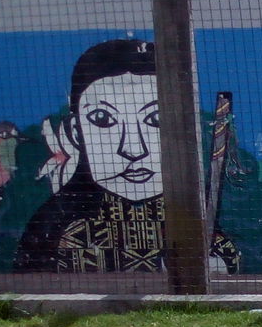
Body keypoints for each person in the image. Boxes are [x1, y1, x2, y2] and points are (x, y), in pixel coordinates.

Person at [15, 39, 239, 274]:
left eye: (156, 119)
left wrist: (217, 264)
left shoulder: (197, 213)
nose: (133, 149)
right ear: (75, 132)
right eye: (102, 119)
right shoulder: (54, 225)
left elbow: (232, 255)